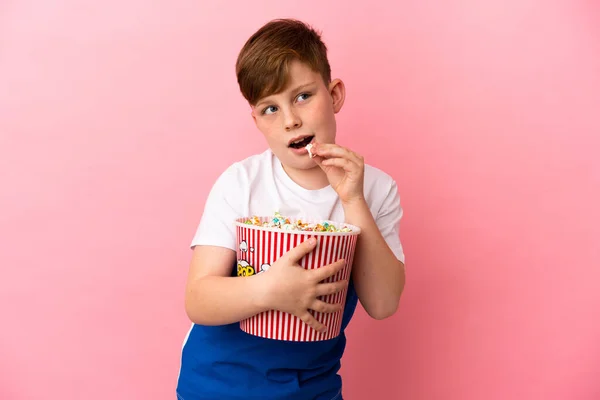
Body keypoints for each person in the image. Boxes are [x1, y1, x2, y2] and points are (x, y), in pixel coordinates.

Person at [176, 18, 406, 400]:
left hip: (313, 387)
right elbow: (198, 299)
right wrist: (270, 289)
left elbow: (382, 304)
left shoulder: (376, 189)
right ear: (256, 120)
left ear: (333, 94)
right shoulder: (241, 183)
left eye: (302, 96)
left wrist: (352, 200)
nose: (290, 120)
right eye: (270, 108)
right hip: (218, 386)